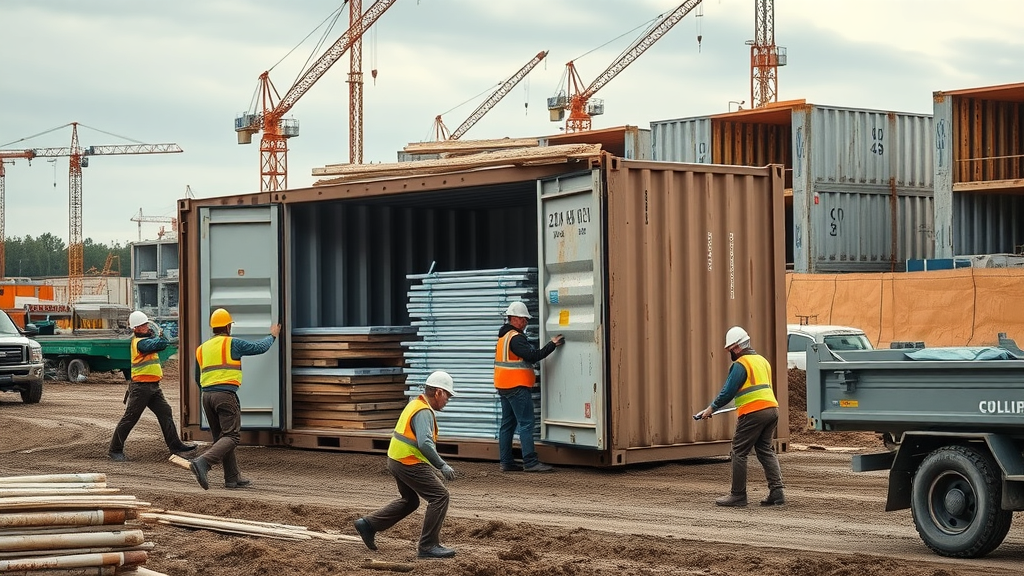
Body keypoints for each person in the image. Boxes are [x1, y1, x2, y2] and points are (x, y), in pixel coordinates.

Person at [354, 371, 459, 560]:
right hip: (408, 461)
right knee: (440, 496)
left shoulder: (416, 404)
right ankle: (428, 546)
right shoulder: (424, 411)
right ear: (438, 392)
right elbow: (424, 443)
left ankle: (368, 524)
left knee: (410, 501)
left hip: (396, 459)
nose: (448, 400)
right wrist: (442, 465)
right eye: (447, 395)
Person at [188, 308, 280, 490]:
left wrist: (209, 392)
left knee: (221, 438)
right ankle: (203, 463)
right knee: (231, 436)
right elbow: (258, 348)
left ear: (213, 327)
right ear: (228, 326)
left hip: (207, 396)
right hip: (225, 395)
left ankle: (231, 478)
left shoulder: (202, 348)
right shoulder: (232, 343)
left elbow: (197, 376)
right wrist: (273, 335)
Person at [697, 326, 785, 507]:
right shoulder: (762, 361)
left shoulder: (741, 364)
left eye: (730, 349)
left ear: (736, 347)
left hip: (753, 413)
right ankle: (777, 492)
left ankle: (738, 495)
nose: (730, 352)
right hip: (772, 410)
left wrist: (711, 408)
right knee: (765, 450)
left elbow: (728, 392)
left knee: (738, 451)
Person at [108, 311, 196, 462]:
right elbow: (160, 344)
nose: (146, 326)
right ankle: (114, 450)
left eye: (146, 324)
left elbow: (158, 344)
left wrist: (161, 337)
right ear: (135, 328)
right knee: (130, 418)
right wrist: (162, 337)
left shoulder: (147, 340)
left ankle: (176, 447)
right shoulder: (140, 343)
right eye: (142, 325)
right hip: (141, 388)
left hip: (153, 387)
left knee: (165, 412)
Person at [494, 301, 564, 473]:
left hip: (504, 386)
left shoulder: (503, 337)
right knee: (526, 423)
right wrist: (552, 344)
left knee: (507, 425)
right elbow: (533, 356)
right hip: (516, 387)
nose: (525, 323)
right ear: (515, 318)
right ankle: (530, 462)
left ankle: (506, 462)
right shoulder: (516, 338)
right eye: (523, 319)